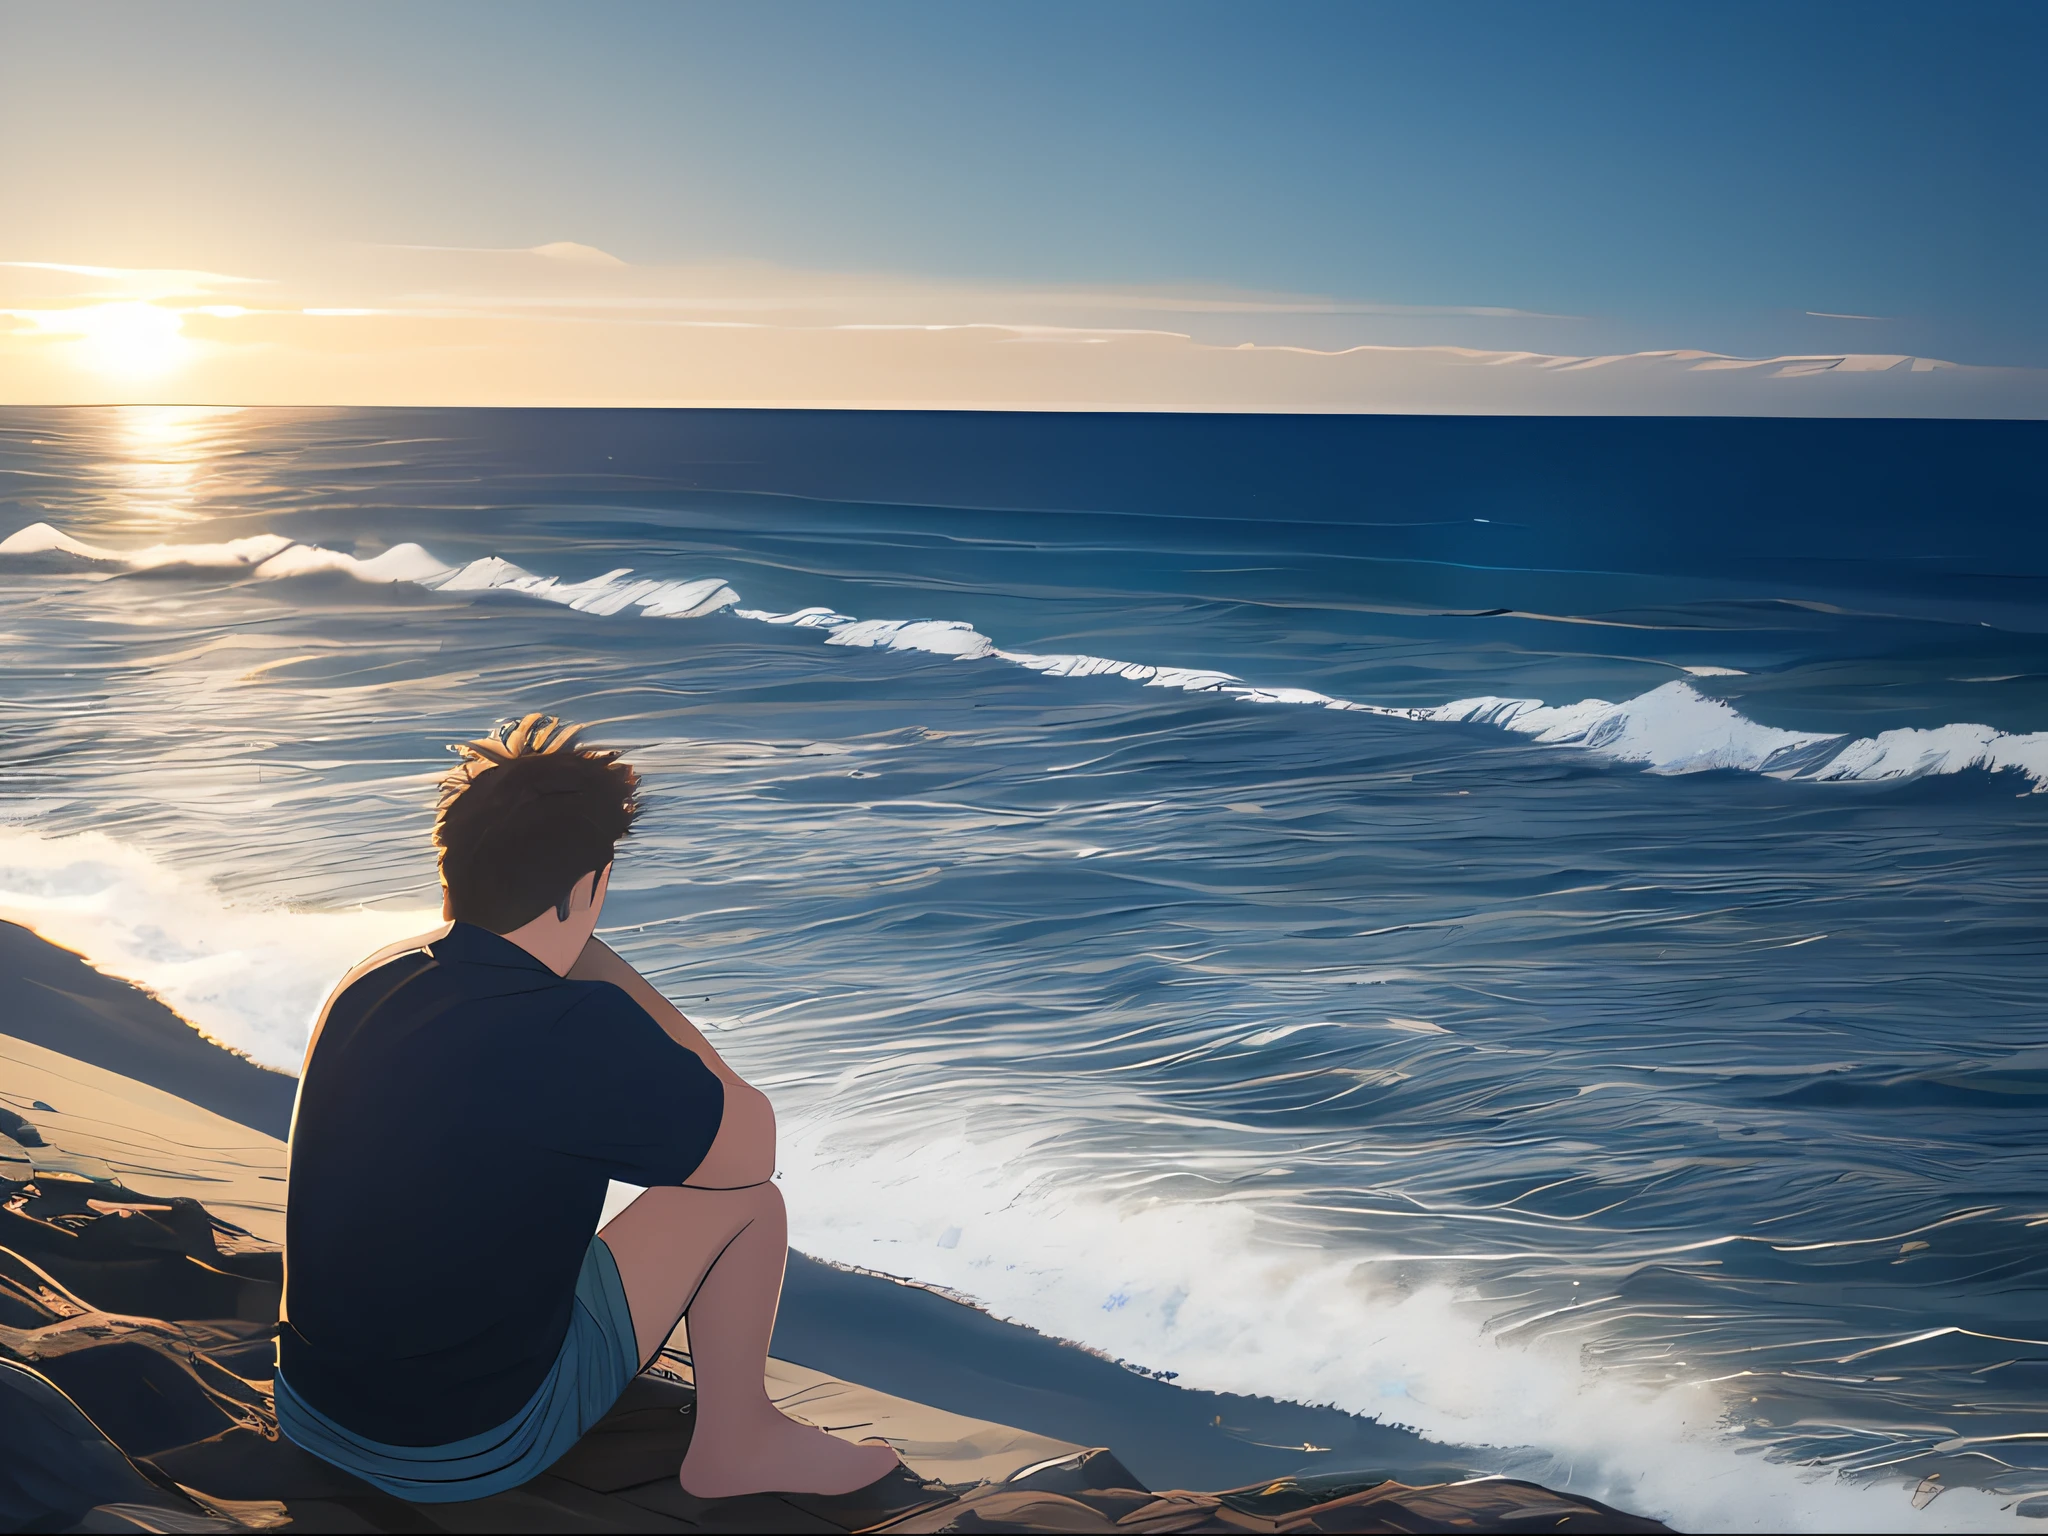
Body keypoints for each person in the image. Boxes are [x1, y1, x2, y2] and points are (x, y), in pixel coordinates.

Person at [275, 714, 901, 1504]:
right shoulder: (573, 1024)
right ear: (590, 887)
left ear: (453, 869)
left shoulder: (371, 978)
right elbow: (752, 1140)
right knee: (748, 1205)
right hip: (452, 1447)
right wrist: (602, 967)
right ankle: (738, 1442)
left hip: (309, 1404)